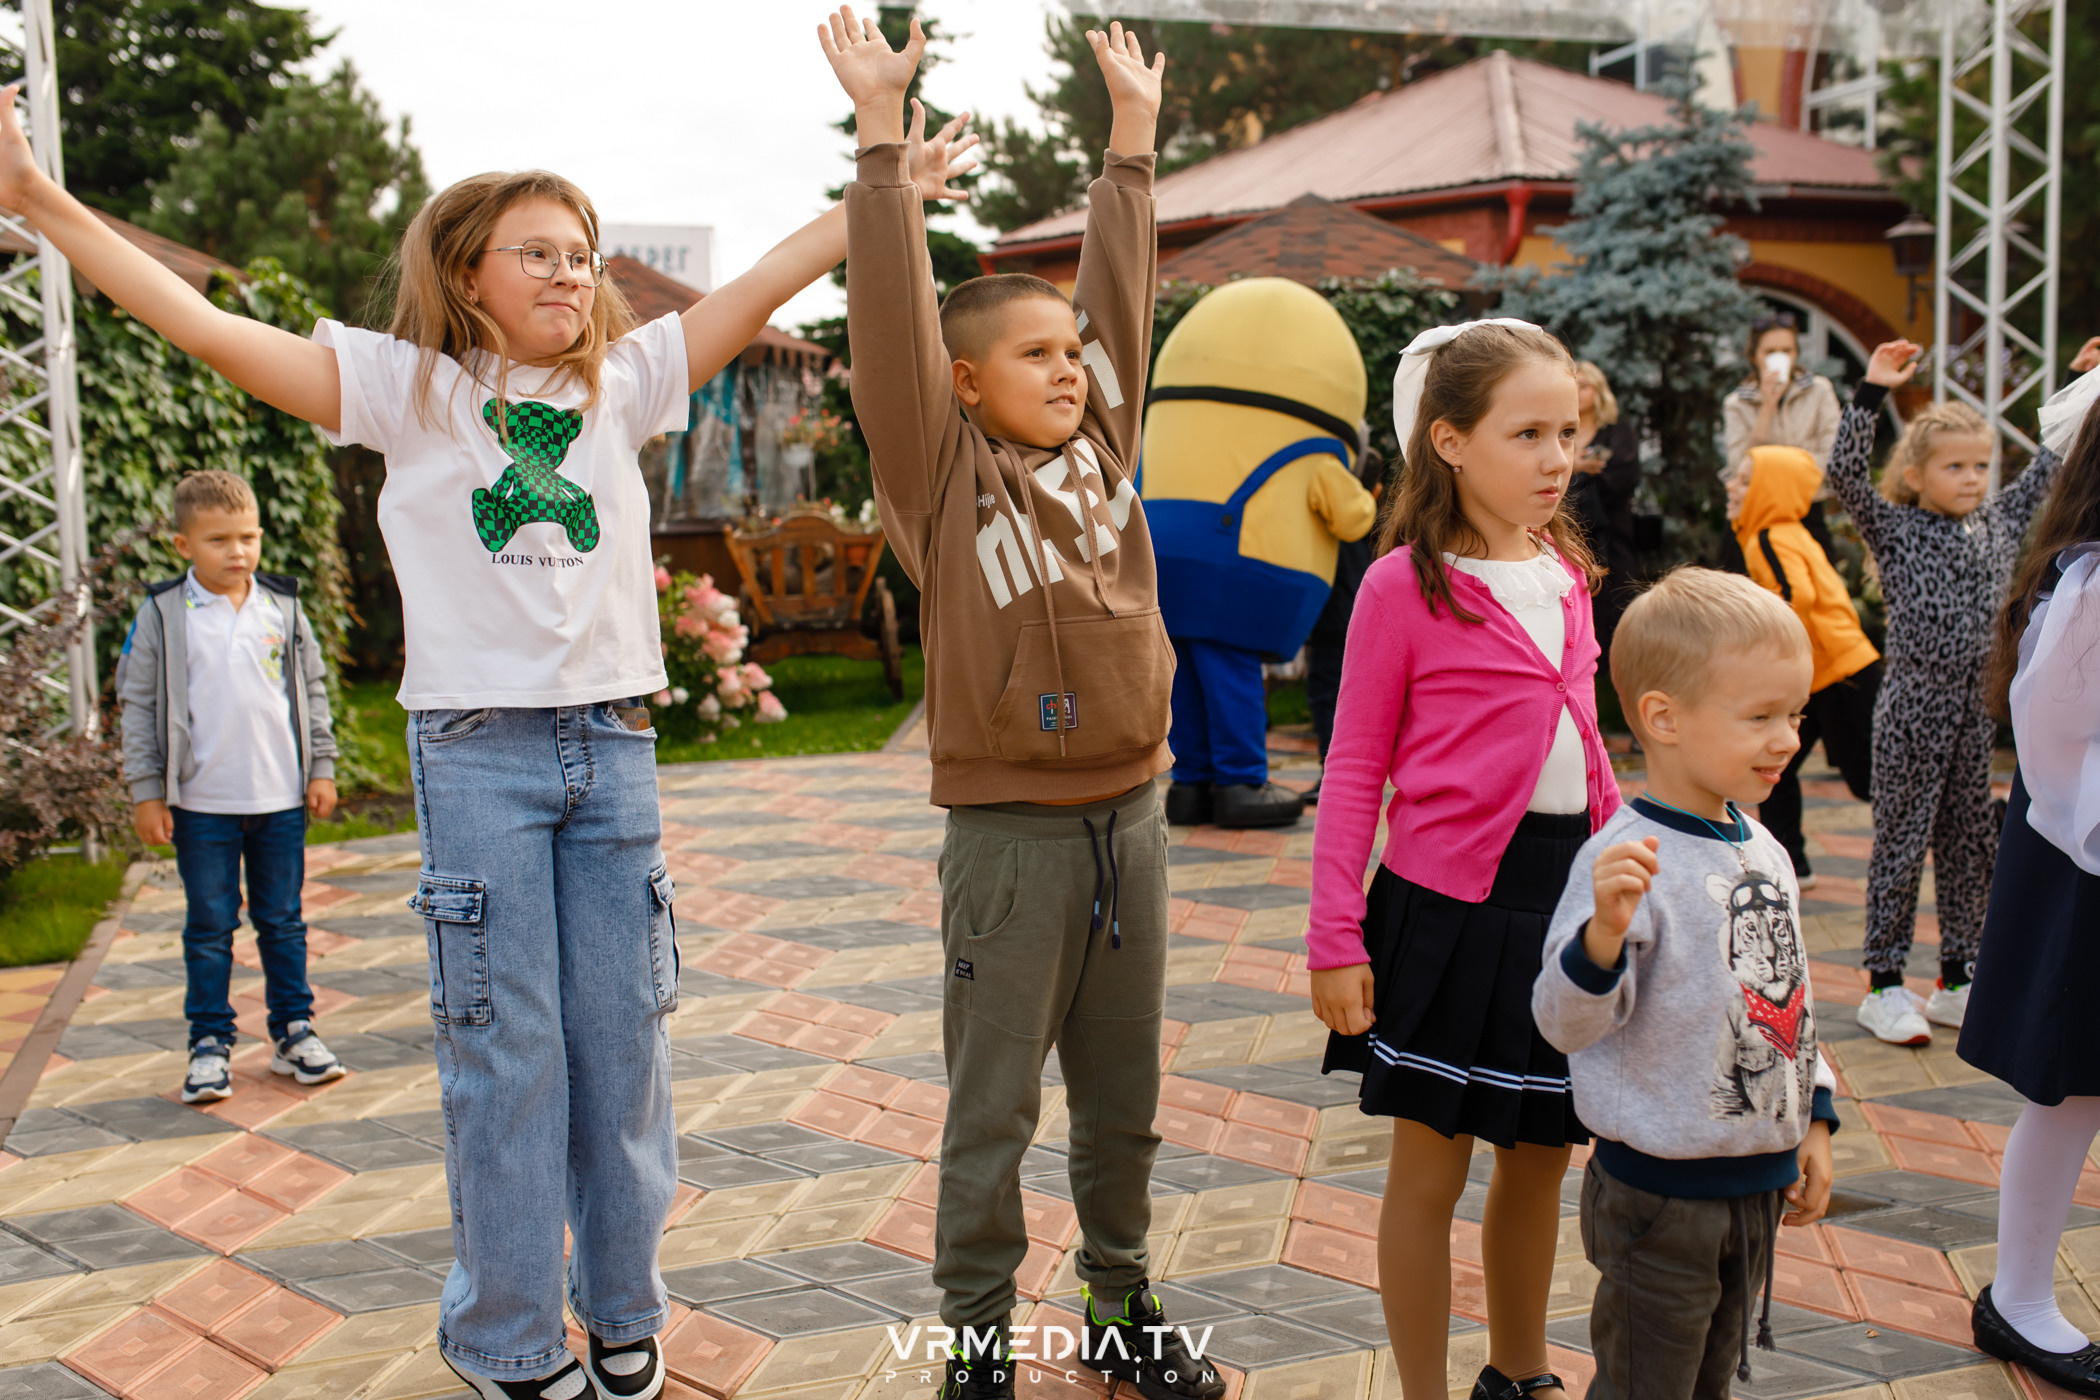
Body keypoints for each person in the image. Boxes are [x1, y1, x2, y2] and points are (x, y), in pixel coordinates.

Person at [0, 12, 977, 1394]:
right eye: (540, 250)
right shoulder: (409, 391)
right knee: (505, 1061)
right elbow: (207, 326)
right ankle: (509, 1341)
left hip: (615, 752)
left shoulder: (628, 381)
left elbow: (774, 274)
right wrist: (41, 202)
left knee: (624, 1054)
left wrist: (883, 148)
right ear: (467, 274)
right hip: (479, 764)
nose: (571, 273)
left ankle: (625, 1309)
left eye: (582, 253)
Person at [838, 21, 1219, 1400]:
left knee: (1125, 1110)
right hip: (1010, 846)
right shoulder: (940, 482)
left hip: (1134, 821)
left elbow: (1119, 303)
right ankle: (979, 1342)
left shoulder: (1102, 442)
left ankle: (1122, 1309)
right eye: (1036, 355)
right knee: (990, 1113)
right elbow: (890, 320)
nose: (1069, 368)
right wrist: (883, 151)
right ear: (965, 385)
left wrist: (1133, 146)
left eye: (1073, 353)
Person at [1309, 319, 1620, 1400]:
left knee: (1540, 1155)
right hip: (1444, 912)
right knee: (1431, 1166)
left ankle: (1520, 1369)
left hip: (1562, 904)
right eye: (1525, 432)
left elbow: (1589, 746)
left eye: (1568, 432)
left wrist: (1629, 873)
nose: (1554, 458)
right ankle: (1423, 1390)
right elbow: (1353, 769)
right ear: (1448, 439)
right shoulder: (1405, 584)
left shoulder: (1570, 573)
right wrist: (1332, 938)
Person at [1533, 567, 1838, 1399]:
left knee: (1710, 1380)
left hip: (1757, 1184)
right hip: (1660, 1197)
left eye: (1796, 715)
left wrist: (1814, 1115)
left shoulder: (1765, 848)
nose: (1788, 739)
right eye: (1761, 717)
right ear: (1663, 718)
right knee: (1646, 1385)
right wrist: (1599, 938)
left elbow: (1786, 1004)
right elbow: (1563, 1024)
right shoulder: (1624, 862)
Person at [1825, 339, 2062, 1048]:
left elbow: (2050, 462)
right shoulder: (1896, 529)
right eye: (1954, 466)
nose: (1972, 479)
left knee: (1970, 846)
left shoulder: (1998, 522)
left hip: (1973, 714)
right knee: (1901, 844)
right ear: (1918, 472)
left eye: (1981, 466)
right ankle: (1883, 982)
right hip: (1912, 707)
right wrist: (1872, 389)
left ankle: (1956, 977)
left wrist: (2085, 380)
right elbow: (1843, 472)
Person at [1957, 370, 2100, 1394]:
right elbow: (2049, 738)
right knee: (2070, 1089)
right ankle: (2017, 1296)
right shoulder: (2090, 580)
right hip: (2082, 865)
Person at [118, 471, 345, 1105]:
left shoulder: (283, 606)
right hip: (200, 804)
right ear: (182, 545)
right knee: (211, 926)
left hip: (277, 798)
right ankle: (209, 1044)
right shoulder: (164, 613)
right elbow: (137, 704)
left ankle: (294, 1032)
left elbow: (314, 690)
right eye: (218, 539)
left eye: (247, 537)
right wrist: (146, 790)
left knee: (283, 921)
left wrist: (320, 766)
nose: (237, 551)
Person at [1144, 277, 1377, 829]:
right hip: (1246, 567)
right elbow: (1352, 519)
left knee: (1184, 678)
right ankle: (1242, 782)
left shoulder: (1175, 416)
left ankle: (1190, 785)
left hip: (1162, 559)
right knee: (1231, 675)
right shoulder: (1321, 445)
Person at [1731, 446, 1881, 886]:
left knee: (1872, 777)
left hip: (1841, 675)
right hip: (1825, 675)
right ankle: (1791, 863)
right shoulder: (1788, 531)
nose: (1731, 486)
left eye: (1743, 480)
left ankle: (1980, 831)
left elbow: (1797, 598)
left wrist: (1761, 648)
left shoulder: (1769, 536)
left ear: (1768, 491)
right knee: (1780, 769)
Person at [1303, 430, 1385, 804]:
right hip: (1353, 614)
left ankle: (1334, 775)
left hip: (1330, 616)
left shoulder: (1331, 511)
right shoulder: (1373, 520)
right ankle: (1348, 775)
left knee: (1328, 695)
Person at [1724, 313, 1842, 558]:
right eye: (1770, 352)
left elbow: (1832, 455)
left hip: (1806, 508)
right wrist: (1767, 406)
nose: (1779, 357)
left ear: (1796, 353)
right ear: (1754, 357)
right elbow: (1739, 465)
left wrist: (1776, 479)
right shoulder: (1737, 403)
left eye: (1786, 350)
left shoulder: (1818, 391)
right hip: (1754, 511)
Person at [1567, 361, 1642, 650]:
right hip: (1570, 531)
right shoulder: (1561, 431)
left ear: (1599, 392)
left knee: (1617, 597)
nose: (1576, 390)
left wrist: (1575, 476)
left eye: (1583, 385)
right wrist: (1580, 469)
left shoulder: (1618, 432)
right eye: (1571, 383)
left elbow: (1622, 477)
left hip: (1611, 530)